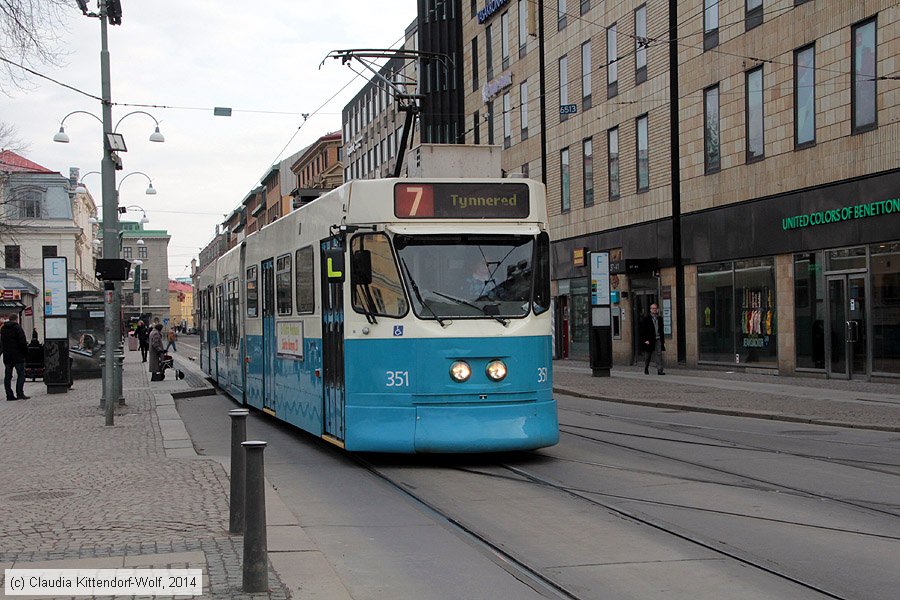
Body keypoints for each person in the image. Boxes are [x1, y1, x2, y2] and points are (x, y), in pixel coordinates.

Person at [1, 313, 30, 400]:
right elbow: (22, 342)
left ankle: (9, 395)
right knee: (21, 374)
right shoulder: (18, 328)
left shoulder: (3, 329)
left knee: (8, 376)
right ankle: (20, 393)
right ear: (16, 319)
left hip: (7, 356)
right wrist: (25, 353)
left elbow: (1, 342)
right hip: (18, 356)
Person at [638, 303, 666, 375]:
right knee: (648, 355)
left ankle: (660, 370)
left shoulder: (660, 319)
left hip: (658, 339)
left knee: (659, 354)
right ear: (650, 310)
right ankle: (646, 367)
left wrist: (662, 340)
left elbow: (661, 330)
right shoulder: (646, 319)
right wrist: (645, 340)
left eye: (655, 308)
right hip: (649, 339)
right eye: (653, 308)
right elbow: (642, 331)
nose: (654, 310)